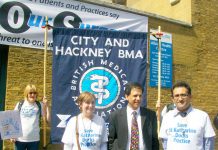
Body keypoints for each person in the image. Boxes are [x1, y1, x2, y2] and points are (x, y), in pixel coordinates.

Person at [159, 81, 216, 150]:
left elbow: (209, 141)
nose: (180, 99)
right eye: (177, 95)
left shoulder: (202, 116)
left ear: (190, 96)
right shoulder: (167, 117)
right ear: (172, 99)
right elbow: (165, 141)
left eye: (183, 95)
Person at [108, 82, 159, 150]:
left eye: (140, 96)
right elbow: (111, 141)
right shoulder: (115, 116)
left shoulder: (150, 115)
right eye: (135, 96)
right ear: (126, 96)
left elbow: (154, 140)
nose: (138, 98)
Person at [11, 84, 50, 150]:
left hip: (34, 140)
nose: (32, 95)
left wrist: (47, 106)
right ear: (26, 94)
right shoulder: (20, 104)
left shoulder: (39, 105)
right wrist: (12, 135)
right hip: (19, 139)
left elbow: (48, 120)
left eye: (34, 93)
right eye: (30, 93)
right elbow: (13, 120)